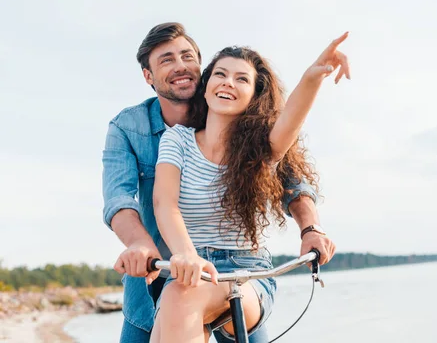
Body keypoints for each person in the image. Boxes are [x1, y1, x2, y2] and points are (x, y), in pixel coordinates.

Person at [102, 22, 337, 343]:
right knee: (171, 311)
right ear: (148, 76)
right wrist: (141, 243)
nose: (180, 66)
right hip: (162, 267)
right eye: (166, 60)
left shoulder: (252, 135)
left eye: (187, 56)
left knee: (188, 303)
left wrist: (311, 228)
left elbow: (290, 175)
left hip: (241, 269)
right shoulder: (143, 131)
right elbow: (127, 201)